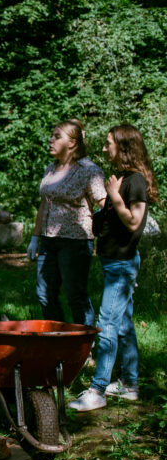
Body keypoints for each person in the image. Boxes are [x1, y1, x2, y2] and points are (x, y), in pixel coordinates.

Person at [68, 124, 157, 412]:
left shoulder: (135, 182)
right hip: (112, 261)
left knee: (107, 323)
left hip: (122, 264)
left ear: (124, 147)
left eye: (109, 144)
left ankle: (98, 390)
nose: (104, 149)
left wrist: (114, 196)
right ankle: (129, 384)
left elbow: (133, 222)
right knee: (122, 324)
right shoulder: (122, 178)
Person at [26, 120, 106, 326]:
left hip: (75, 242)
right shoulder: (50, 169)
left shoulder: (89, 170)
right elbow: (44, 204)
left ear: (72, 143)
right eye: (51, 136)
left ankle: (84, 347)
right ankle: (58, 341)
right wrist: (35, 237)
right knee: (44, 294)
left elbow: (105, 204)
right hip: (48, 240)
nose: (50, 140)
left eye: (56, 136)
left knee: (75, 297)